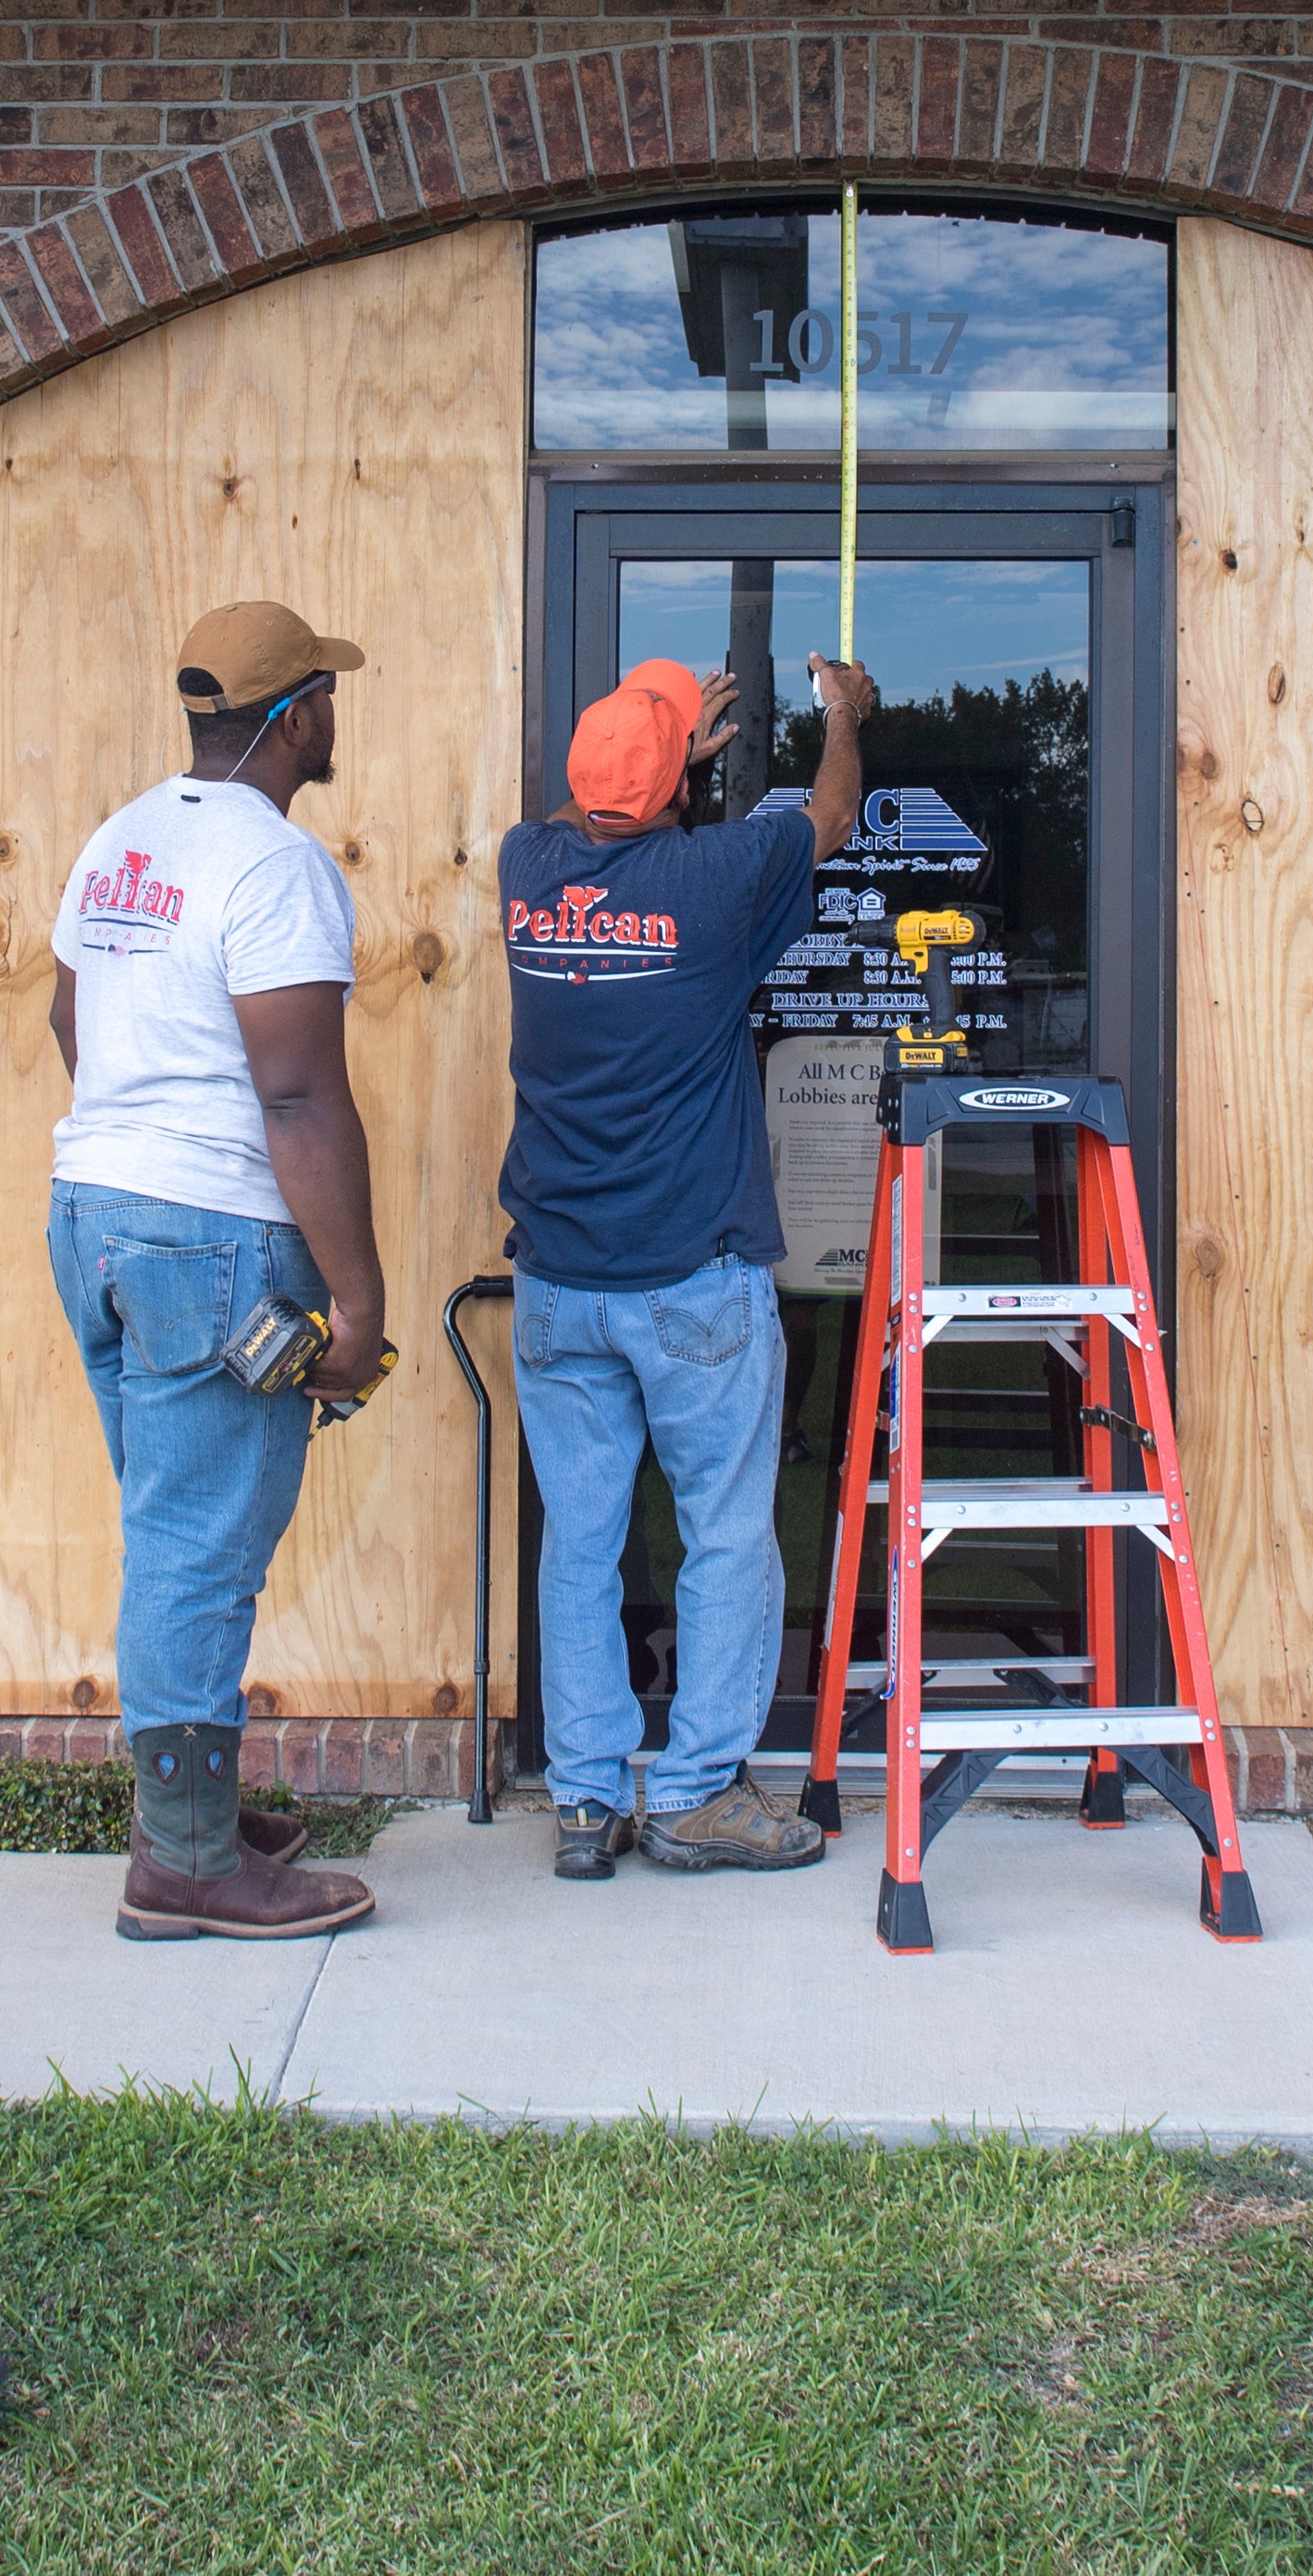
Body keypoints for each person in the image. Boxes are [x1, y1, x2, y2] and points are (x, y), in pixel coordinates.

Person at [498, 646, 874, 1882]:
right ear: (672, 793)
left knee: (582, 1542)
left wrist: (651, 759)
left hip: (560, 1284)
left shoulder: (525, 870)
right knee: (722, 1533)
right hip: (692, 1283)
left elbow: (575, 818)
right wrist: (843, 719)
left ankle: (585, 1799)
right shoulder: (716, 877)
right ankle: (702, 1790)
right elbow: (829, 817)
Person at [45, 600, 390, 1946]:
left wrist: (143, 1141)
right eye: (330, 698)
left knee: (167, 1525)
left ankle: (188, 1810)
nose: (335, 721)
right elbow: (299, 1097)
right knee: (199, 1545)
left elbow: (72, 1016)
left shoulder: (121, 838)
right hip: (211, 1237)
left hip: (97, 1213)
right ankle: (184, 1861)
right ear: (294, 711)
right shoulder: (275, 863)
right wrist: (354, 1304)